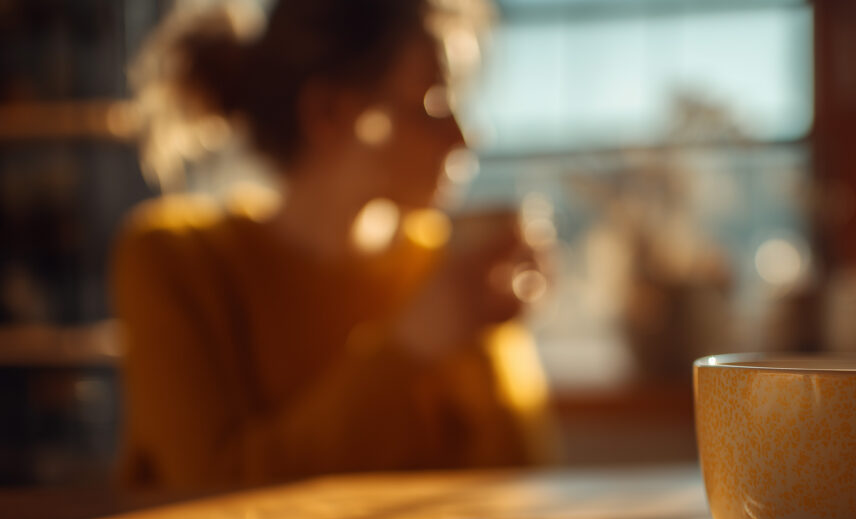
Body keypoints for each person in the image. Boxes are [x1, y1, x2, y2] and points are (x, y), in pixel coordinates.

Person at [113, 0, 554, 490]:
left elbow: (517, 484)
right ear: (326, 112)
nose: (465, 137)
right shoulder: (175, 262)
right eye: (431, 103)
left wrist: (491, 329)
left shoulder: (438, 268)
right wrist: (411, 347)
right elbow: (211, 487)